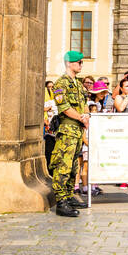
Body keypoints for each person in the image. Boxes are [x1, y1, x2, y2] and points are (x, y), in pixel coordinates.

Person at [50, 51, 90, 217]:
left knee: (74, 165)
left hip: (78, 130)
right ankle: (61, 201)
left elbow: (85, 103)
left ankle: (68, 195)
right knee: (63, 165)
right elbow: (64, 107)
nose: (81, 64)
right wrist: (82, 118)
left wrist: (86, 115)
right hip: (67, 130)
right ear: (69, 63)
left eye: (81, 62)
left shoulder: (79, 85)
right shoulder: (61, 83)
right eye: (78, 62)